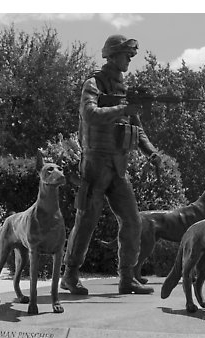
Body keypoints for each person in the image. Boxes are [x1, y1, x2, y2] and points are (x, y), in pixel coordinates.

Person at [61, 34, 161, 295]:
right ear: (113, 54)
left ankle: (127, 278)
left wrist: (151, 153)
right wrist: (121, 110)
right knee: (86, 221)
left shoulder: (124, 91)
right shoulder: (93, 84)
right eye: (126, 54)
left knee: (132, 221)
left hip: (118, 167)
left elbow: (137, 129)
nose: (130, 59)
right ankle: (70, 275)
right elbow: (90, 114)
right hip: (95, 164)